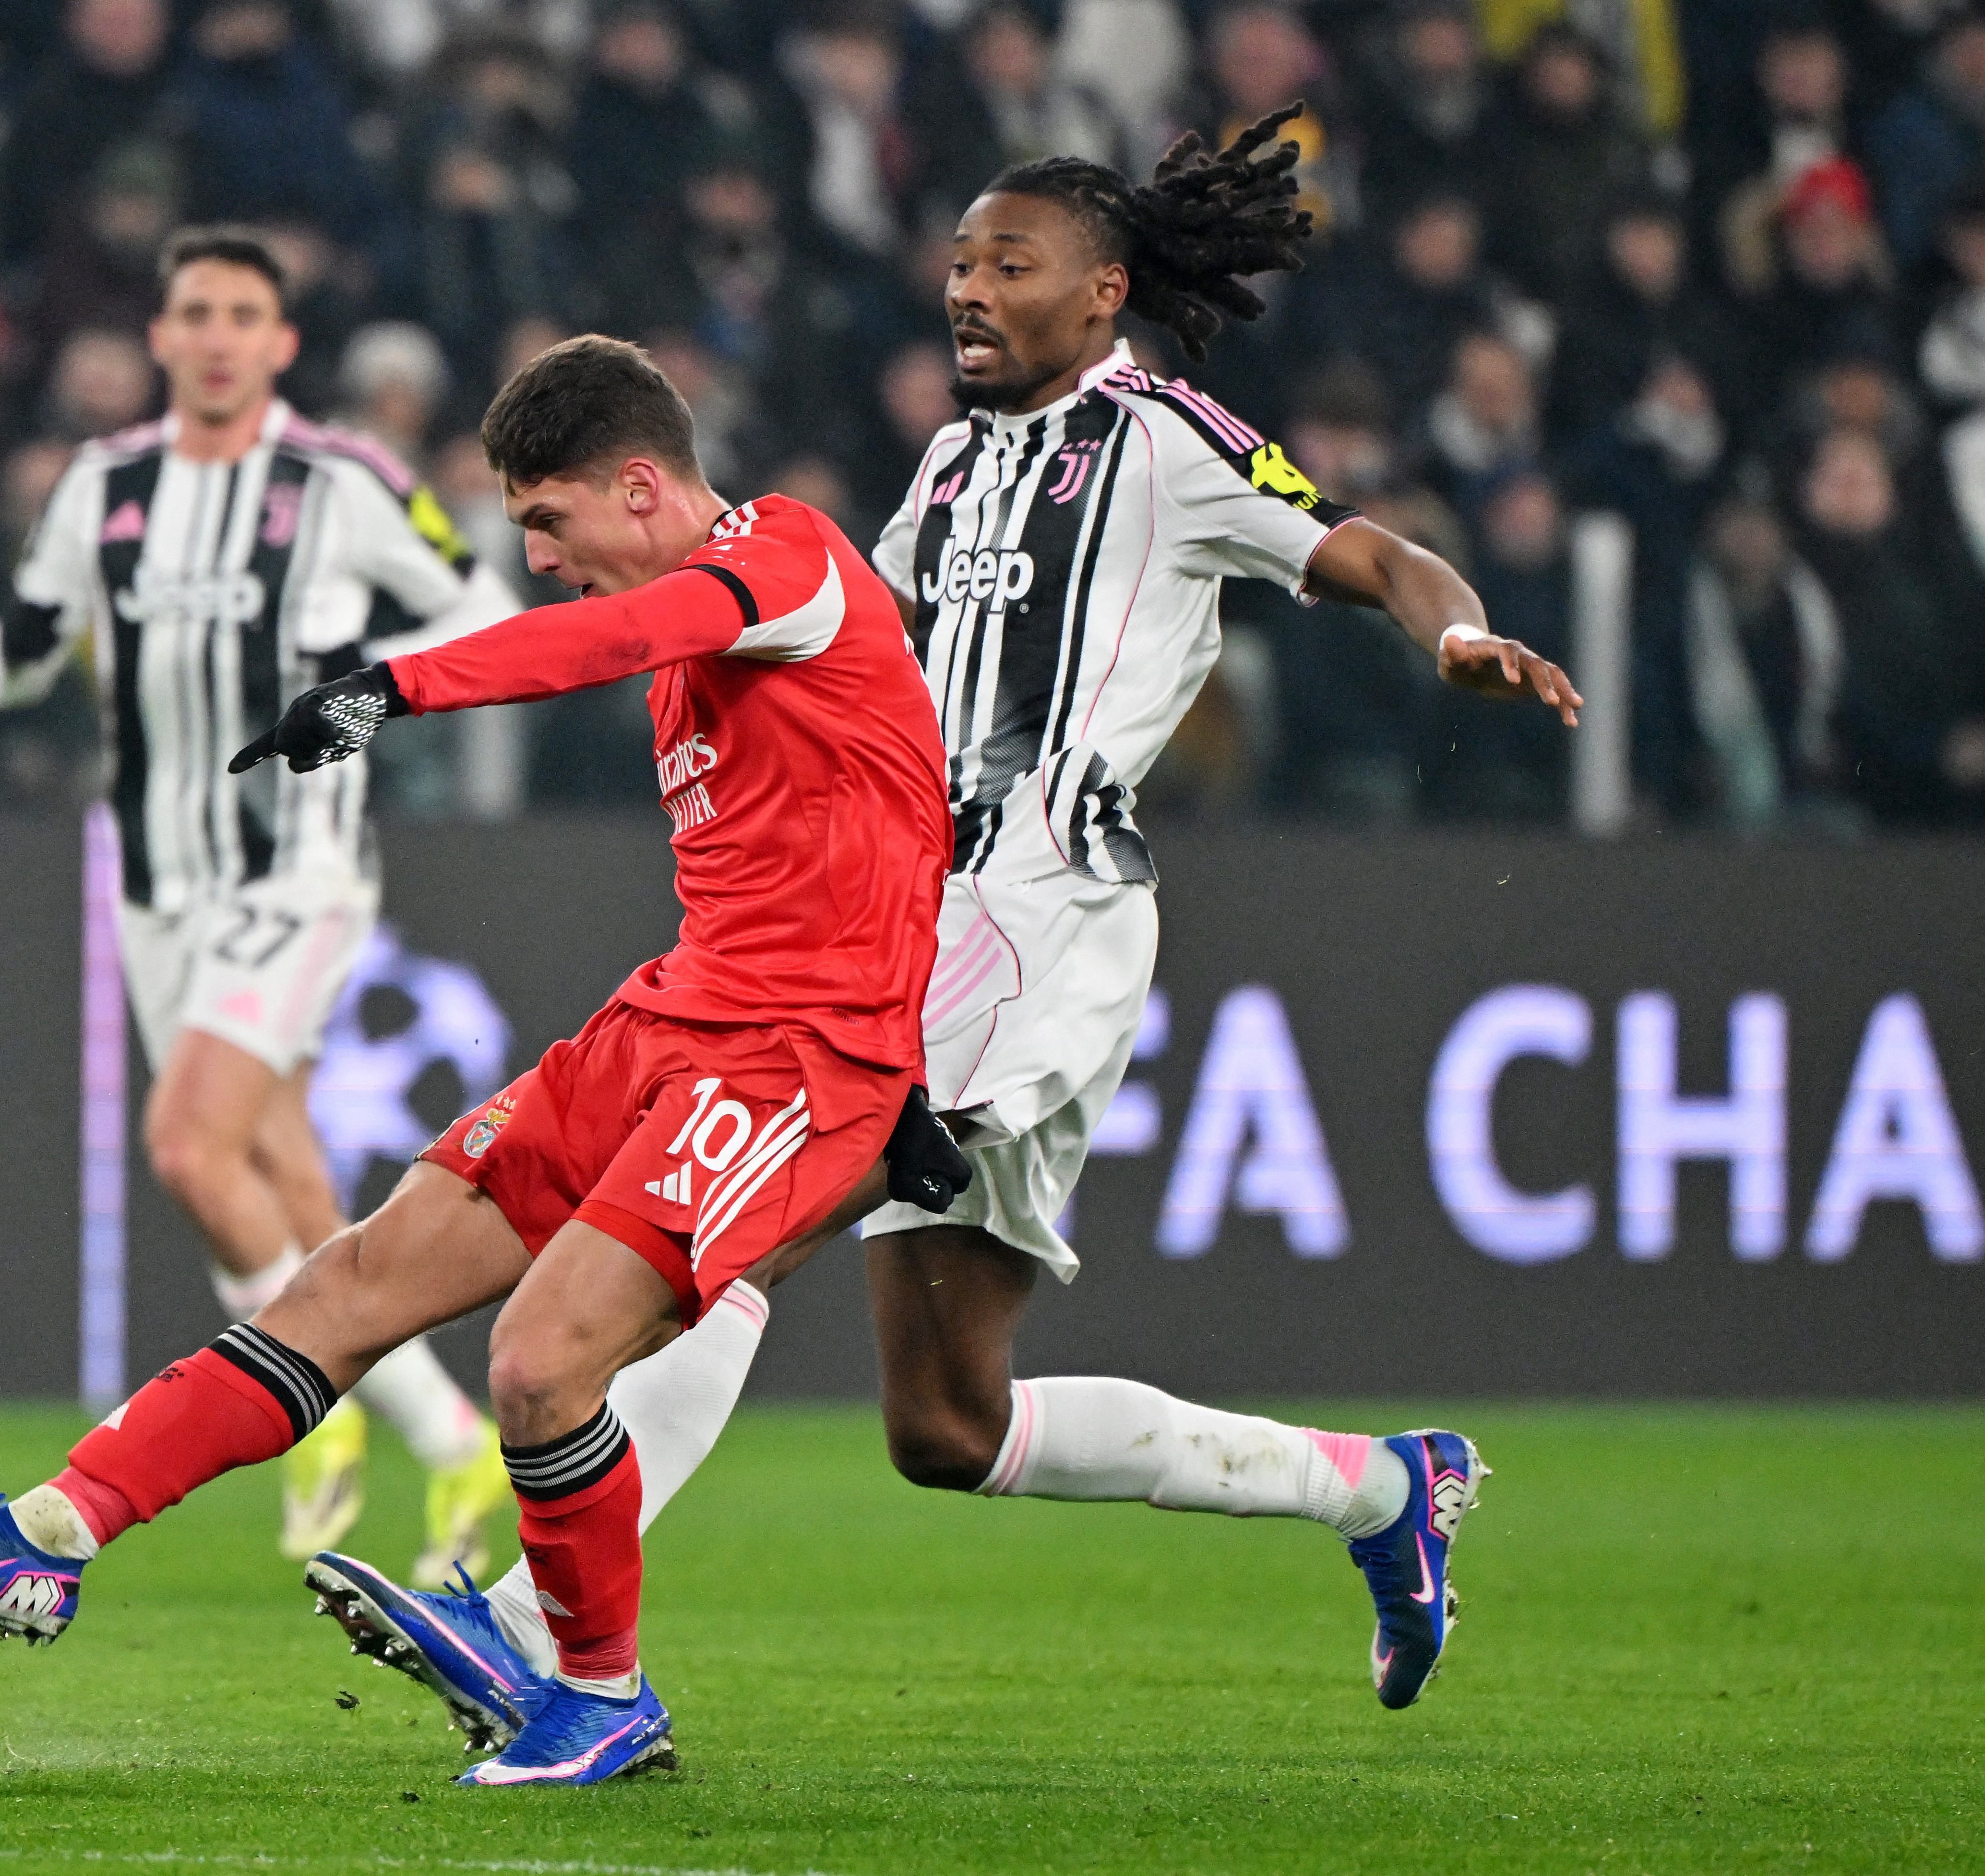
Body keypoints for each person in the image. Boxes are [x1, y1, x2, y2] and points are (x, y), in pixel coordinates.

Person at [303, 110, 1590, 1760]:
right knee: (944, 1417)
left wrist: (1459, 629)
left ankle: (544, 1637)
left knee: (736, 1215)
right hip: (912, 909)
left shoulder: (1167, 437)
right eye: (960, 261)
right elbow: (859, 649)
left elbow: (1374, 552)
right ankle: (1384, 1486)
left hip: (1039, 905)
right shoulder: (949, 461)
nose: (969, 288)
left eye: (1010, 263)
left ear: (1103, 291)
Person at [0, 327, 969, 1788]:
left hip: (789, 1060)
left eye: (546, 523)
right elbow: (878, 803)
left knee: (540, 1366)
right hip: (669, 1024)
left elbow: (612, 638)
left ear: (640, 487)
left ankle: (601, 1694)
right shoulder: (732, 630)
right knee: (349, 1282)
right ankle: (48, 1535)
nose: (541, 562)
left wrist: (393, 686)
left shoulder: (787, 558)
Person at [0, 228, 522, 1581]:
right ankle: (450, 1438)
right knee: (277, 1165)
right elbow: (0, 672)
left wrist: (366, 675)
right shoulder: (103, 486)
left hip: (297, 867)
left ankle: (305, 1401)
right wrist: (22, 642)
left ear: (280, 343)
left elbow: (484, 607)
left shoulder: (343, 481)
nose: (216, 334)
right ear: (159, 338)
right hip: (155, 881)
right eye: (194, 311)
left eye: (243, 314)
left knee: (188, 1149)